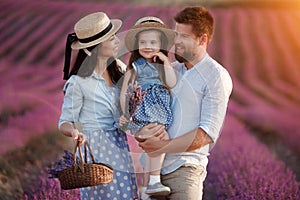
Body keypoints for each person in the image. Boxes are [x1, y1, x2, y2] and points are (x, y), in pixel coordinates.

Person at [136, 7, 233, 200]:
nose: (176, 42)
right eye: (176, 34)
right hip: (153, 172)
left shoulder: (216, 76)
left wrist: (160, 146)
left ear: (202, 39)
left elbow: (205, 134)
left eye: (184, 37)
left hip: (185, 171)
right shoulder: (173, 69)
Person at [58, 12, 138, 200]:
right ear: (94, 48)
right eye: (111, 38)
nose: (117, 41)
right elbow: (64, 122)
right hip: (97, 150)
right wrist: (75, 133)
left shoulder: (119, 68)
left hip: (119, 144)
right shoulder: (78, 82)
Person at [119, 17, 176, 199]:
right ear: (137, 45)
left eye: (153, 42)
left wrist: (166, 62)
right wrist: (125, 114)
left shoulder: (161, 66)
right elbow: (124, 93)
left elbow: (172, 83)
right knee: (159, 141)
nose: (147, 46)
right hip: (143, 113)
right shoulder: (136, 67)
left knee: (159, 142)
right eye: (143, 42)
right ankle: (153, 182)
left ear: (161, 45)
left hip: (158, 114)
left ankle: (148, 185)